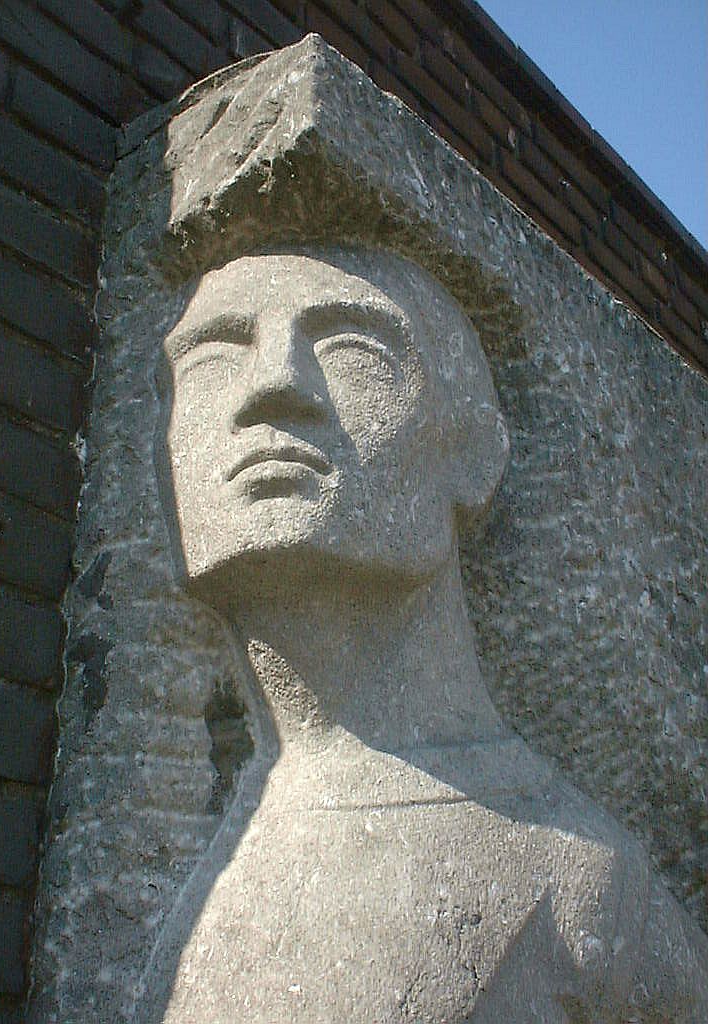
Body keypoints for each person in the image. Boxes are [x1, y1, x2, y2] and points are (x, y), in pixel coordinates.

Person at [140, 245, 708, 1022]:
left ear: (474, 448)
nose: (274, 384)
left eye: (351, 350)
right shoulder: (142, 851)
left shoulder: (592, 890)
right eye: (212, 356)